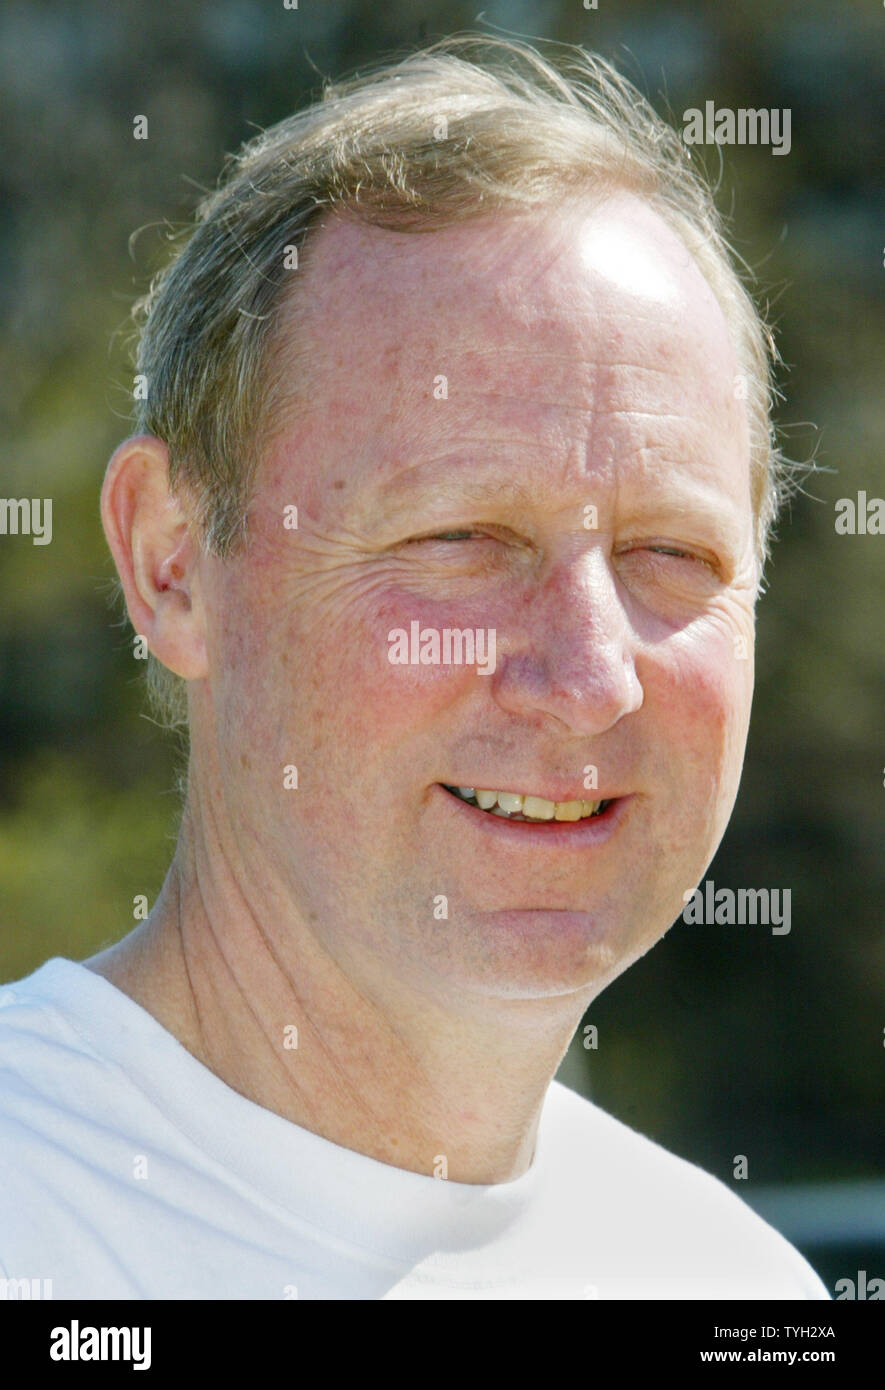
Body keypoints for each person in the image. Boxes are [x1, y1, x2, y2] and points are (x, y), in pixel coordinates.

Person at [0, 35, 828, 1300]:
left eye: (672, 551)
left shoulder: (734, 1290)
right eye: (461, 538)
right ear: (173, 563)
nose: (591, 673)